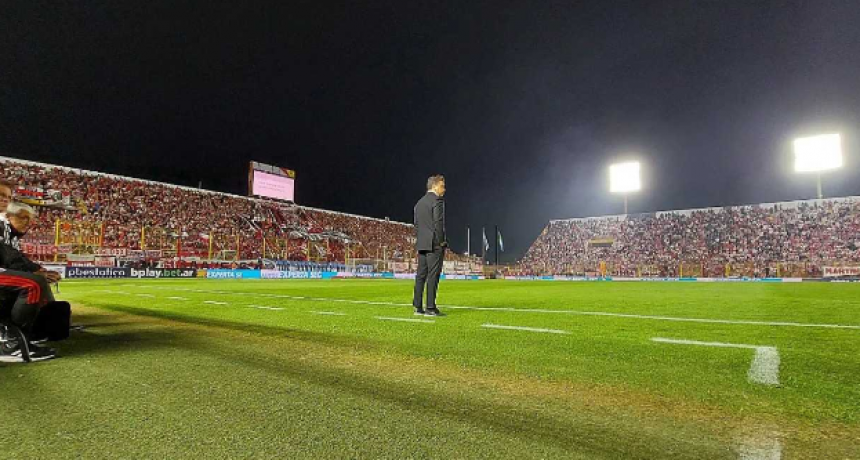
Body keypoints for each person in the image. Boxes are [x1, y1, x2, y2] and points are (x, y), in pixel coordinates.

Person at [412, 174, 447, 316]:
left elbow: (416, 224)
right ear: (434, 186)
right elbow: (439, 223)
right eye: (442, 186)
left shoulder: (418, 203)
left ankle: (417, 306)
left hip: (422, 242)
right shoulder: (437, 201)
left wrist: (421, 239)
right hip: (434, 244)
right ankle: (431, 307)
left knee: (421, 275)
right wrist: (441, 241)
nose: (444, 189)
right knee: (433, 275)